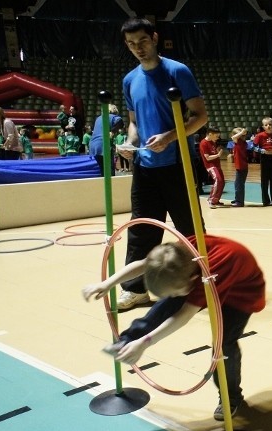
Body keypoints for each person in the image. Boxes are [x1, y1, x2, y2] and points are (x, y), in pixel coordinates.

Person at [82, 234, 266, 420]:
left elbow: (183, 316)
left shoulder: (213, 270)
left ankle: (231, 397)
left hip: (241, 294)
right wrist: (107, 283)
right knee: (165, 304)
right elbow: (144, 264)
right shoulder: (177, 257)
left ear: (192, 280)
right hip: (205, 276)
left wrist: (146, 342)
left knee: (223, 344)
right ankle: (127, 341)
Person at [115, 17, 208, 311]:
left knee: (189, 229)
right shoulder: (130, 80)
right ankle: (135, 289)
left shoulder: (177, 71)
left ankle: (204, 281)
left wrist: (168, 137)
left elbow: (200, 116)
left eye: (142, 41)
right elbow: (134, 123)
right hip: (145, 167)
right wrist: (130, 143)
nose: (138, 48)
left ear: (154, 38)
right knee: (141, 229)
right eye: (131, 44)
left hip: (177, 163)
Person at [253, 116, 272, 206]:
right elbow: (253, 147)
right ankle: (265, 200)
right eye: (266, 125)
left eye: (270, 124)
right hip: (264, 158)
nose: (268, 126)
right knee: (264, 180)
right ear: (263, 126)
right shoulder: (259, 136)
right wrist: (262, 151)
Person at [89, 104, 124, 175]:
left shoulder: (98, 118)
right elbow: (120, 122)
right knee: (109, 171)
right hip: (103, 144)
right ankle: (112, 185)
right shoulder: (111, 116)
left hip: (93, 145)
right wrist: (113, 131)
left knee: (103, 170)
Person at [199, 124, 225, 208]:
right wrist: (218, 155)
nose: (218, 138)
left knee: (222, 182)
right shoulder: (203, 143)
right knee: (218, 180)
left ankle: (216, 200)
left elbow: (213, 152)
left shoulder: (213, 142)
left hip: (217, 165)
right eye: (216, 136)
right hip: (211, 166)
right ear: (210, 134)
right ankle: (211, 200)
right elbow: (208, 158)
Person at [230, 127, 248, 207]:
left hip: (241, 166)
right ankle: (237, 198)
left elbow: (233, 137)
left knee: (239, 185)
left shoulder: (240, 142)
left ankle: (239, 202)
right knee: (237, 184)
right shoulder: (242, 142)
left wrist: (241, 133)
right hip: (241, 166)